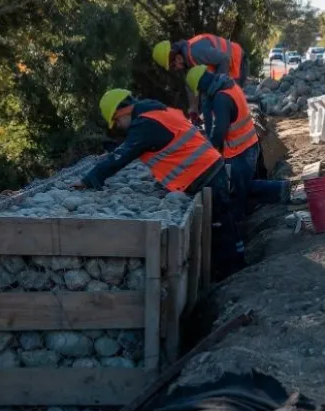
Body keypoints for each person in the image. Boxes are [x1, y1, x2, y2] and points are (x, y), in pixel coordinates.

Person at [74, 89, 242, 278]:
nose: (119, 127)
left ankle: (232, 274)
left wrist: (89, 179)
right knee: (224, 221)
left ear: (121, 112)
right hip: (208, 167)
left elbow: (121, 157)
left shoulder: (144, 124)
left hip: (204, 173)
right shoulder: (156, 111)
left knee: (219, 226)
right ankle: (236, 263)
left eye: (117, 122)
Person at [184, 66, 288, 227]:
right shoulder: (227, 86)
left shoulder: (221, 98)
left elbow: (219, 131)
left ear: (202, 84)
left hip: (240, 151)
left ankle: (279, 190)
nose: (201, 94)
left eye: (199, 90)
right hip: (248, 145)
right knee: (241, 187)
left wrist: (208, 154)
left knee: (240, 189)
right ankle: (274, 194)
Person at [152, 34, 248, 87]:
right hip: (231, 67)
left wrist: (218, 86)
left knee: (230, 100)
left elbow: (224, 59)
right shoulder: (190, 62)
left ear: (177, 58)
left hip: (238, 62)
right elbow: (195, 88)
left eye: (173, 66)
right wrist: (194, 109)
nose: (176, 69)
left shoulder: (195, 52)